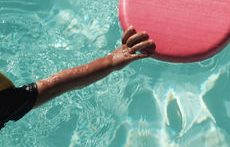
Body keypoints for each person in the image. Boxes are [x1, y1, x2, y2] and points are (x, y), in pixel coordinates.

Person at [0, 26, 154, 130]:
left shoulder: (5, 100)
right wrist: (110, 62)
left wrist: (110, 61)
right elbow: (54, 87)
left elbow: (55, 86)